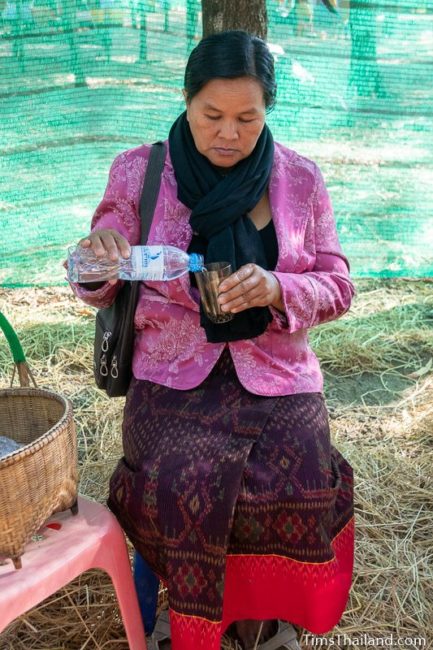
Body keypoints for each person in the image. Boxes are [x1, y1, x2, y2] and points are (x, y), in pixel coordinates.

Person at [68, 30, 355, 650]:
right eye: (212, 116)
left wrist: (279, 290)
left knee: (299, 479)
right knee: (176, 478)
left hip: (275, 375)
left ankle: (260, 617)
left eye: (247, 119)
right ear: (186, 101)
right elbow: (90, 277)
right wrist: (98, 260)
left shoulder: (300, 181)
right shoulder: (141, 172)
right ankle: (192, 618)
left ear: (267, 111)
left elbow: (338, 285)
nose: (228, 133)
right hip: (172, 375)